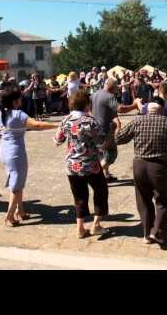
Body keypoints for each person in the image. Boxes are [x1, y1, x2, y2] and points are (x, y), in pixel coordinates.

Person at [115, 98, 167, 245]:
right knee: (164, 200)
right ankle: (158, 233)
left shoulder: (136, 121)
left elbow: (118, 139)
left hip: (139, 165)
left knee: (143, 201)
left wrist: (118, 127)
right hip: (160, 166)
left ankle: (147, 234)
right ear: (162, 110)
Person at [0, 85, 57, 227]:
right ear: (14, 101)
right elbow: (37, 125)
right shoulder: (19, 115)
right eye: (19, 98)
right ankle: (9, 216)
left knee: (16, 182)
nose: (21, 99)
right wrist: (56, 125)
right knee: (17, 187)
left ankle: (21, 211)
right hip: (16, 153)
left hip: (4, 151)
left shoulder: (0, 113)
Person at [54, 90, 109, 238]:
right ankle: (96, 225)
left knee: (79, 196)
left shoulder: (66, 120)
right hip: (91, 165)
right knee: (101, 191)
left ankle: (80, 228)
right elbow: (101, 142)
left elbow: (58, 140)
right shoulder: (91, 121)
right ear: (86, 104)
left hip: (72, 165)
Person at [91, 77, 139, 182]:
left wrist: (115, 119)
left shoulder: (95, 94)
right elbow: (120, 108)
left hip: (95, 129)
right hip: (105, 130)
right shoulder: (109, 96)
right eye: (116, 88)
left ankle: (106, 175)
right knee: (112, 154)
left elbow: (104, 109)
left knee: (103, 153)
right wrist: (134, 106)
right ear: (113, 88)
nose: (117, 90)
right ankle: (95, 174)